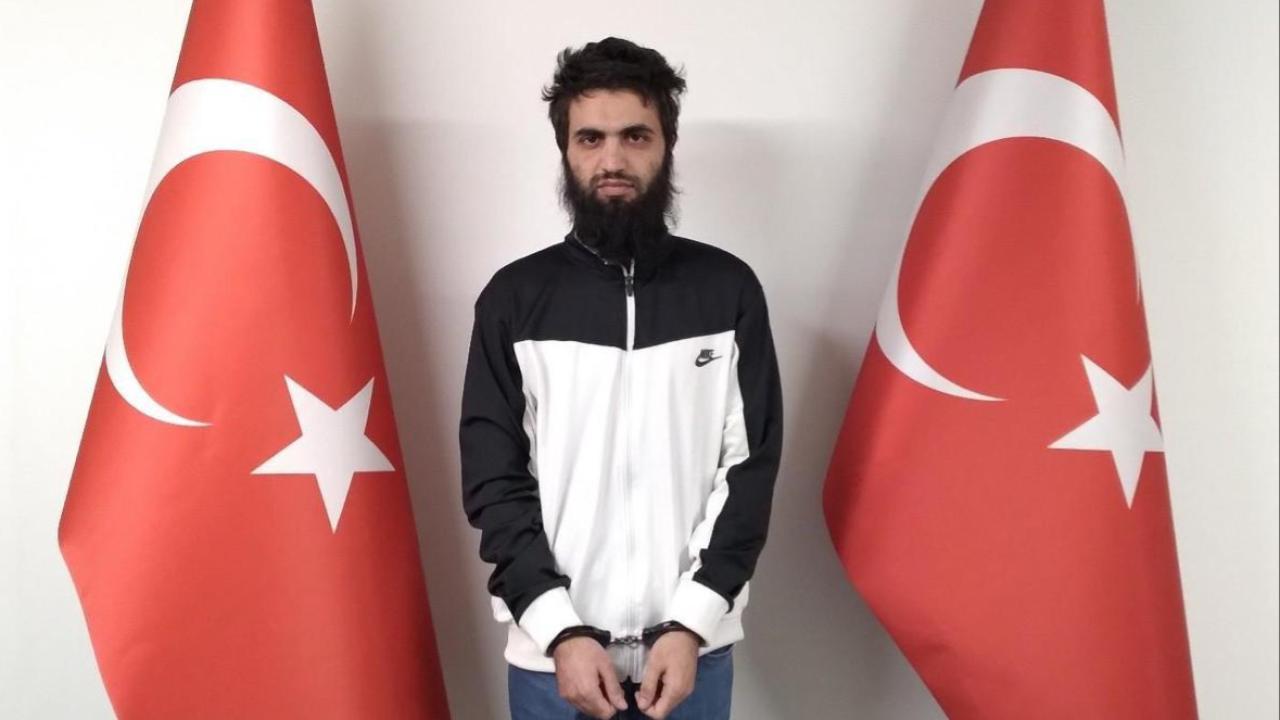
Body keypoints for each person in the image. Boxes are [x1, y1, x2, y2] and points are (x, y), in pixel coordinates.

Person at [460, 37, 783, 720]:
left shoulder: (728, 290)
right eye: (591, 138)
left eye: (635, 135)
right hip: (556, 667)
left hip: (691, 662)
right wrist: (561, 632)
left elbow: (749, 471)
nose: (612, 160)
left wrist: (692, 622)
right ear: (565, 150)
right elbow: (494, 482)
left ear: (667, 144)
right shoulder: (514, 300)